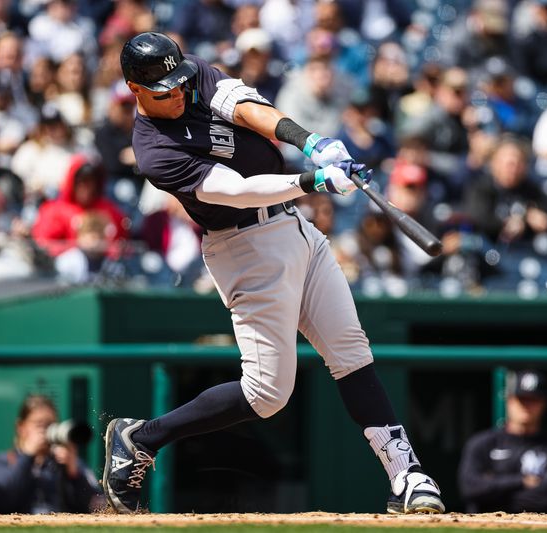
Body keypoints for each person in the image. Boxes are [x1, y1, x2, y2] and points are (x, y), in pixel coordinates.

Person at [102, 32, 444, 515]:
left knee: (351, 351)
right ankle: (141, 438)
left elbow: (245, 107)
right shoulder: (155, 150)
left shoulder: (189, 72)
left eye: (180, 83)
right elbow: (236, 191)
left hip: (294, 226)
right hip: (243, 247)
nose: (178, 93)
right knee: (267, 395)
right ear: (135, 89)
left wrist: (311, 142)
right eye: (165, 91)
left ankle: (406, 475)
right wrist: (314, 180)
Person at [458, 369, 547, 513]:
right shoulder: (483, 443)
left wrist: (493, 485)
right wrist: (522, 481)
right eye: (522, 399)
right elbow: (470, 488)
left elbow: (545, 498)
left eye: (534, 400)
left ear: (544, 403)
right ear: (509, 400)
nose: (527, 406)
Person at [0, 394, 102, 513]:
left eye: (50, 425)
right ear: (20, 427)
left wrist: (75, 474)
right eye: (39, 424)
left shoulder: (66, 462)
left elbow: (95, 505)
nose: (45, 431)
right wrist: (27, 456)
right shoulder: (0, 461)